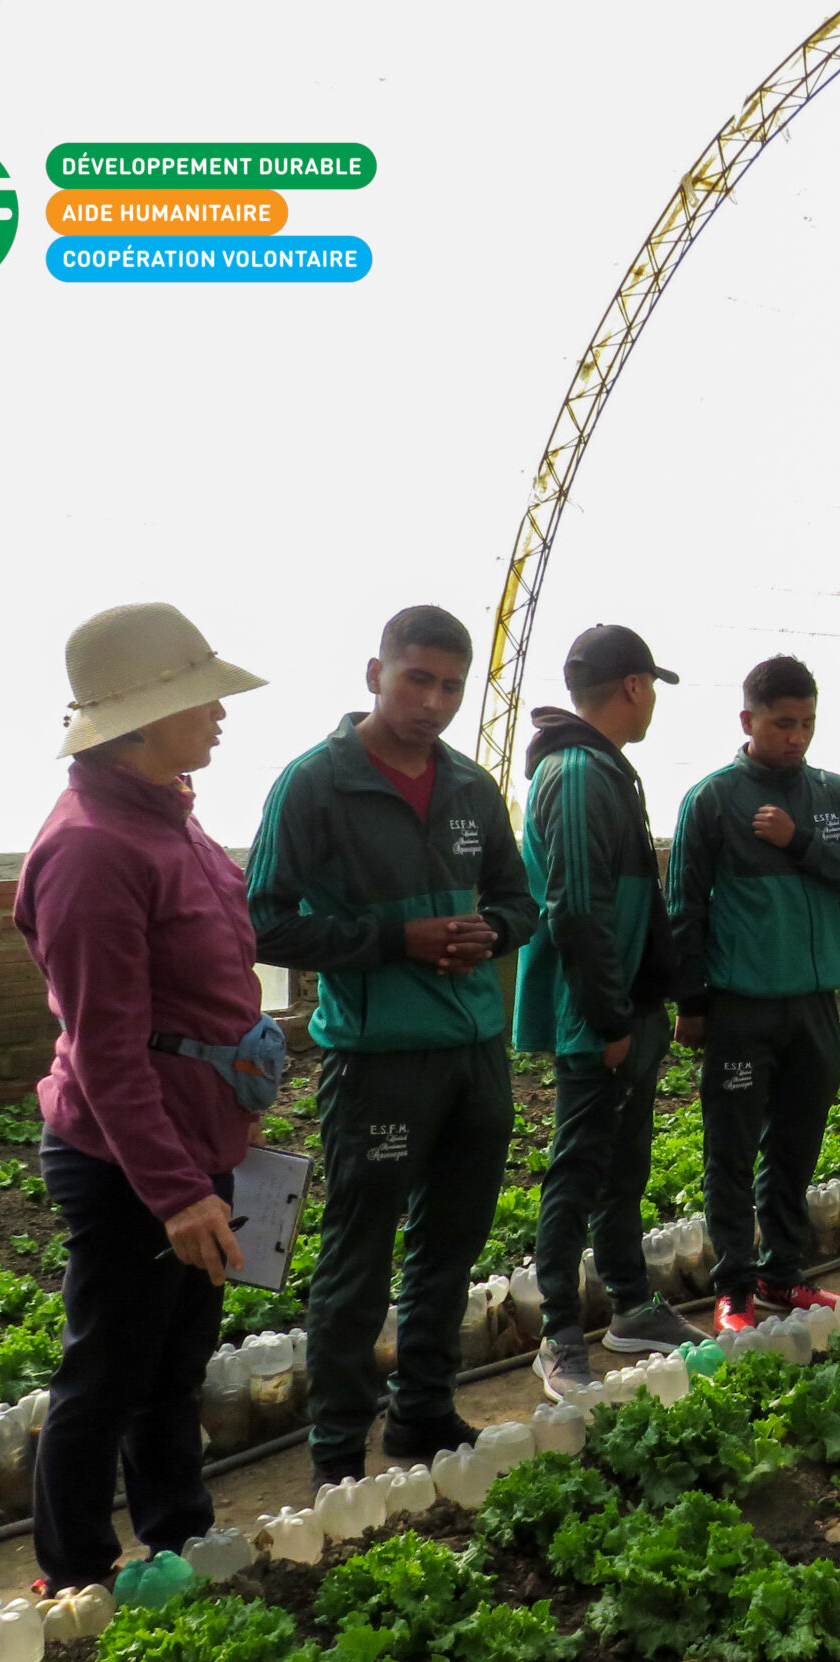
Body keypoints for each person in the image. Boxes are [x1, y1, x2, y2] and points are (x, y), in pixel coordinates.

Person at [247, 607, 539, 1487]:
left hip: (475, 1052)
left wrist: (489, 931)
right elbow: (265, 922)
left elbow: (521, 904)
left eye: (452, 685)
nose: (435, 701)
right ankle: (337, 1450)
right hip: (379, 1062)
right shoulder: (316, 785)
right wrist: (395, 940)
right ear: (375, 672)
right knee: (360, 1248)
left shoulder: (471, 788)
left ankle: (423, 1410)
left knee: (451, 1240)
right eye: (417, 678)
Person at [16, 601, 268, 1593]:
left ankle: (177, 1535)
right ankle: (75, 1574)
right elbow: (109, 1050)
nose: (217, 713)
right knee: (109, 1369)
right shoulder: (90, 850)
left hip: (192, 1138)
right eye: (198, 696)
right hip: (128, 1161)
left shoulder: (168, 811)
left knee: (174, 1364)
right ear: (141, 717)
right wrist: (177, 1193)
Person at [514, 624, 704, 1398]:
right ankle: (559, 1331)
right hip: (601, 1016)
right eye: (651, 685)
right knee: (579, 1166)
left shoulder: (605, 770)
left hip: (629, 1006)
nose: (652, 699)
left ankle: (629, 1305)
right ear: (632, 687)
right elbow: (574, 909)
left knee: (623, 1162)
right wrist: (610, 1019)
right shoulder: (579, 774)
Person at [667, 656, 840, 1331]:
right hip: (742, 1005)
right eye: (782, 723)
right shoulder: (712, 799)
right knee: (729, 1149)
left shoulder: (833, 793)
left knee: (796, 1144)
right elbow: (685, 906)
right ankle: (733, 1287)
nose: (797, 737)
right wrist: (693, 1001)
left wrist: (801, 844)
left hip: (814, 1004)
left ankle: (782, 1275)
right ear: (747, 720)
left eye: (807, 723)